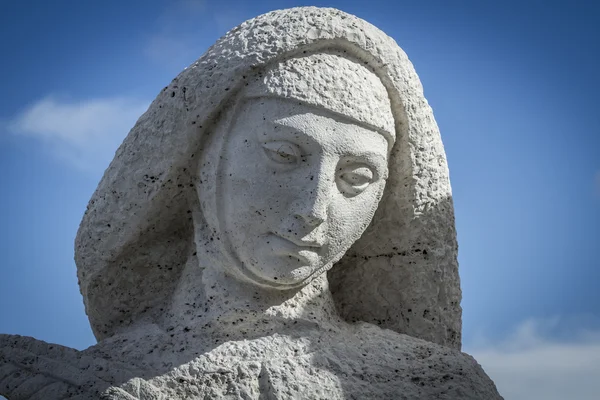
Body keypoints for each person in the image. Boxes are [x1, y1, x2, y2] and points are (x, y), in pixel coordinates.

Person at [0, 7, 501, 399]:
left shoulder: (434, 385)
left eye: (358, 176)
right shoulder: (88, 379)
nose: (314, 207)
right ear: (197, 157)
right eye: (284, 154)